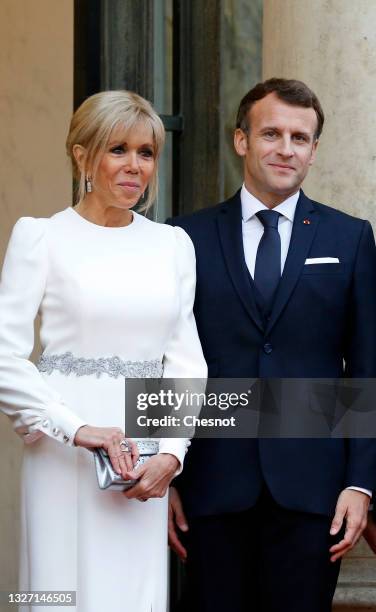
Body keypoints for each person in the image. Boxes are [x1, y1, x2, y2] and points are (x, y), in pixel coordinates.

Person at [167, 78, 376, 612]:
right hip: (210, 488)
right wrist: (162, 470)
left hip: (314, 491)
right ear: (241, 141)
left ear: (313, 150)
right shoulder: (182, 237)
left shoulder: (349, 238)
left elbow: (366, 364)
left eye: (300, 138)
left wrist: (360, 484)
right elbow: (164, 357)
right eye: (272, 133)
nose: (286, 149)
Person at [0, 90, 207, 612]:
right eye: (118, 149)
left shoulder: (173, 245)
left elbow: (187, 364)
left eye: (146, 152)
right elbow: (4, 355)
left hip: (140, 462)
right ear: (81, 155)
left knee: (131, 595)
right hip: (60, 453)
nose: (134, 166)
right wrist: (75, 427)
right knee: (55, 591)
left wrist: (171, 455)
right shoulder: (40, 237)